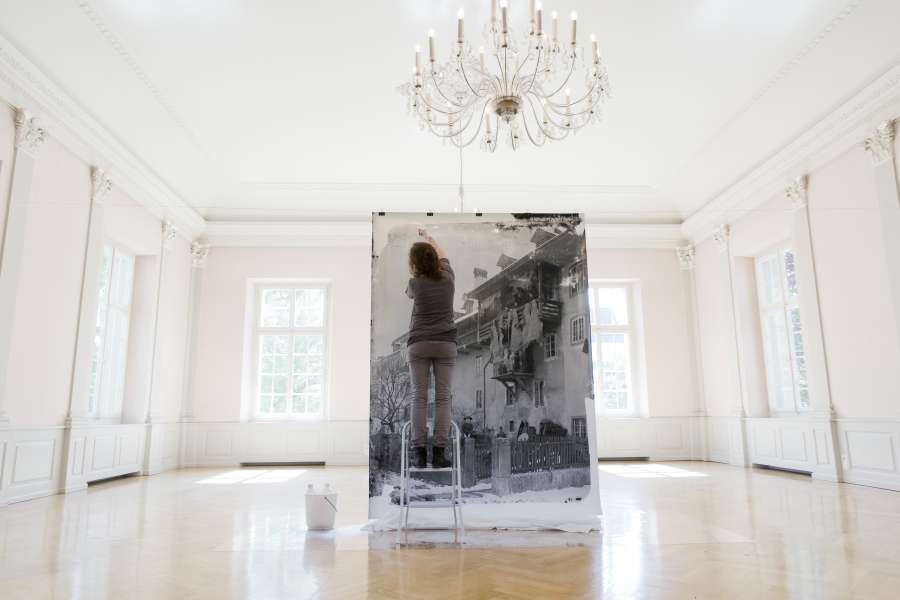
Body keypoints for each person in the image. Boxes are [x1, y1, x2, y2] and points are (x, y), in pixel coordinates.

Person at [405, 230, 457, 469]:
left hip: (419, 343)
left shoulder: (414, 284)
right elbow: (443, 255)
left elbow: (410, 293)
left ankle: (419, 455)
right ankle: (438, 455)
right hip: (446, 343)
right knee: (443, 398)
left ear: (415, 264)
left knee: (419, 397)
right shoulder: (448, 278)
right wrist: (431, 239)